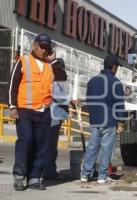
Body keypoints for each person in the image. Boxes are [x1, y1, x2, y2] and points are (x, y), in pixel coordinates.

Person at [9, 33, 55, 190]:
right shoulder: (23, 61)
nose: (44, 50)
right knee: (26, 140)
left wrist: (52, 59)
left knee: (42, 145)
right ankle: (20, 175)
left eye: (47, 48)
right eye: (42, 46)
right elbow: (12, 85)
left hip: (44, 111)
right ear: (34, 45)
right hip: (25, 110)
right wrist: (12, 106)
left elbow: (62, 76)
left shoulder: (50, 65)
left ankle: (35, 177)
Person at [81, 54, 125, 184]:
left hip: (95, 120)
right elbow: (119, 104)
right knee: (106, 149)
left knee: (92, 147)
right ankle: (102, 176)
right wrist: (121, 121)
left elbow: (89, 100)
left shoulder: (92, 81)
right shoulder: (116, 82)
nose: (117, 70)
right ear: (113, 67)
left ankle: (85, 174)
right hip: (109, 120)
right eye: (116, 68)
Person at [43, 58, 69, 179]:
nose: (63, 71)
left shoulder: (56, 80)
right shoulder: (53, 80)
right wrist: (71, 100)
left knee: (50, 145)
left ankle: (47, 169)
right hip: (53, 116)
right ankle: (49, 171)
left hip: (55, 116)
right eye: (61, 68)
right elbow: (59, 97)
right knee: (51, 146)